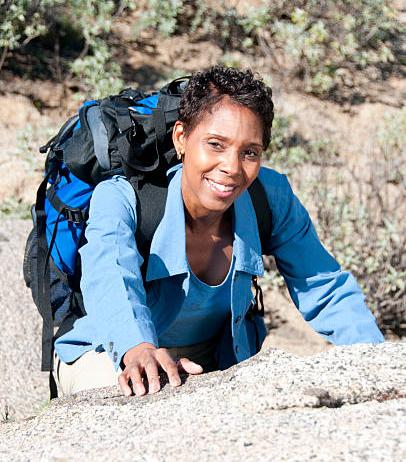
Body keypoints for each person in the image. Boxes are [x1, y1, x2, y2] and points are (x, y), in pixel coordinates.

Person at [54, 65, 384, 397]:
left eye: (250, 152)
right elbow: (110, 276)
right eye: (215, 144)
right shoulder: (125, 197)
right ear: (181, 137)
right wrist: (138, 347)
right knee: (135, 396)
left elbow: (324, 286)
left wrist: (378, 362)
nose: (231, 167)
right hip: (111, 351)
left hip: (215, 357)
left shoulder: (270, 197)